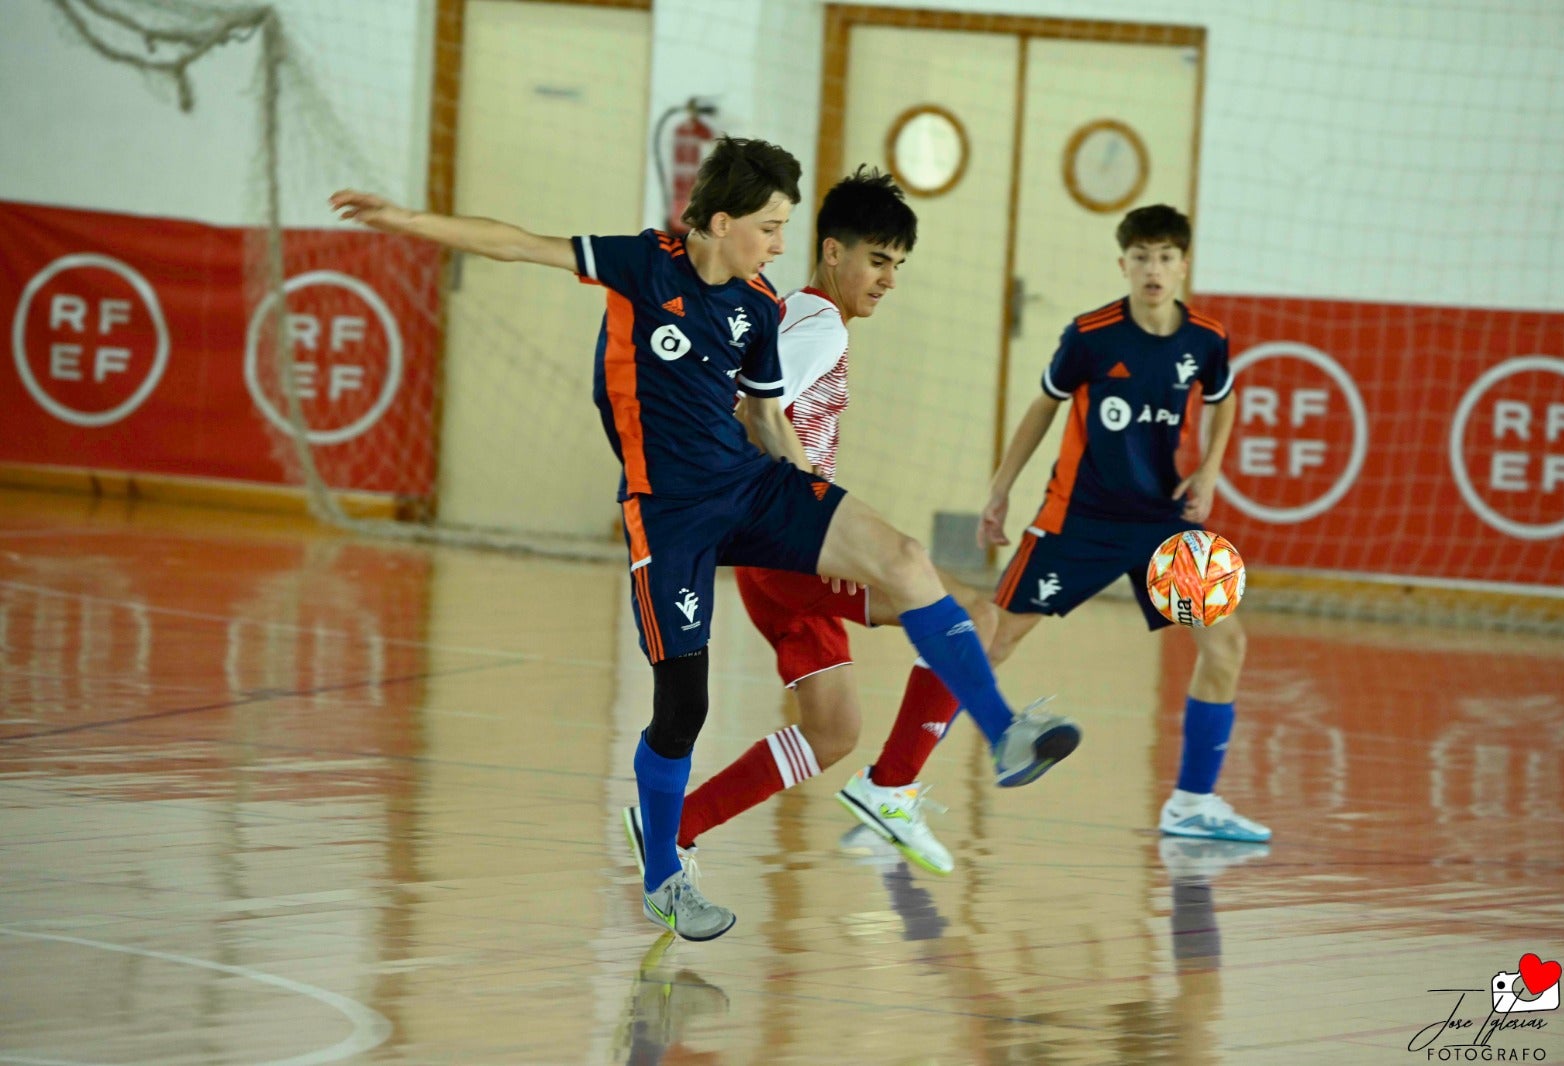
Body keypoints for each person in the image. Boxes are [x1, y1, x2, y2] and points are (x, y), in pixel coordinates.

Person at [331, 137, 1079, 943]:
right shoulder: (642, 265)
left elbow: (764, 417)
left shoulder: (761, 305)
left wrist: (817, 502)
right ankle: (666, 873)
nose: (778, 245)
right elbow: (518, 244)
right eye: (769, 226)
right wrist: (406, 219)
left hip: (754, 493)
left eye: (787, 227)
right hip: (671, 513)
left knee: (901, 562)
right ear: (720, 222)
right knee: (683, 707)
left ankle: (1003, 731)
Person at [619, 167, 1048, 879]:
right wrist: (799, 492)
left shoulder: (794, 315)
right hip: (787, 549)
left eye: (898, 266)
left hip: (768, 556)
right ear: (831, 252)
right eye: (877, 261)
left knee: (830, 731)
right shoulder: (817, 324)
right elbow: (751, 409)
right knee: (968, 612)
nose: (887, 280)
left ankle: (673, 828)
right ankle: (906, 783)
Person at [978, 203, 1269, 844]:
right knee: (992, 640)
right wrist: (999, 491)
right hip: (1077, 521)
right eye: (1141, 257)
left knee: (1226, 646)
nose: (1153, 270)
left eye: (1166, 257)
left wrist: (1211, 471)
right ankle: (896, 788)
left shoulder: (1207, 340)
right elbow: (1042, 407)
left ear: (1184, 264)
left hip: (1162, 522)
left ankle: (1192, 803)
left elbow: (1224, 400)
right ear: (1123, 264)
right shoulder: (1091, 334)